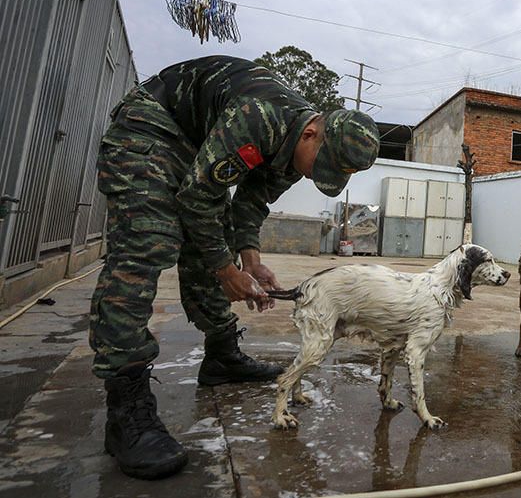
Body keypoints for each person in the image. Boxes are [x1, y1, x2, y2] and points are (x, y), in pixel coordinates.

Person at [89, 55, 379, 479]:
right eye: (321, 165)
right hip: (152, 127)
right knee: (146, 243)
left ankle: (222, 357)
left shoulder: (300, 147)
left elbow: (251, 201)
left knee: (211, 239)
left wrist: (250, 260)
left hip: (198, 144)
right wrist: (226, 271)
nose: (314, 175)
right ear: (311, 133)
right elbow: (197, 197)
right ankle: (125, 406)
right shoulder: (259, 118)